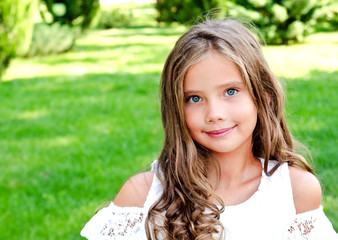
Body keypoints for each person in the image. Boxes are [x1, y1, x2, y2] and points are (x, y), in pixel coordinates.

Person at [80, 19, 337, 239]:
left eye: (231, 91)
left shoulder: (295, 191)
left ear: (264, 97)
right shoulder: (143, 195)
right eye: (194, 98)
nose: (214, 114)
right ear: (176, 108)